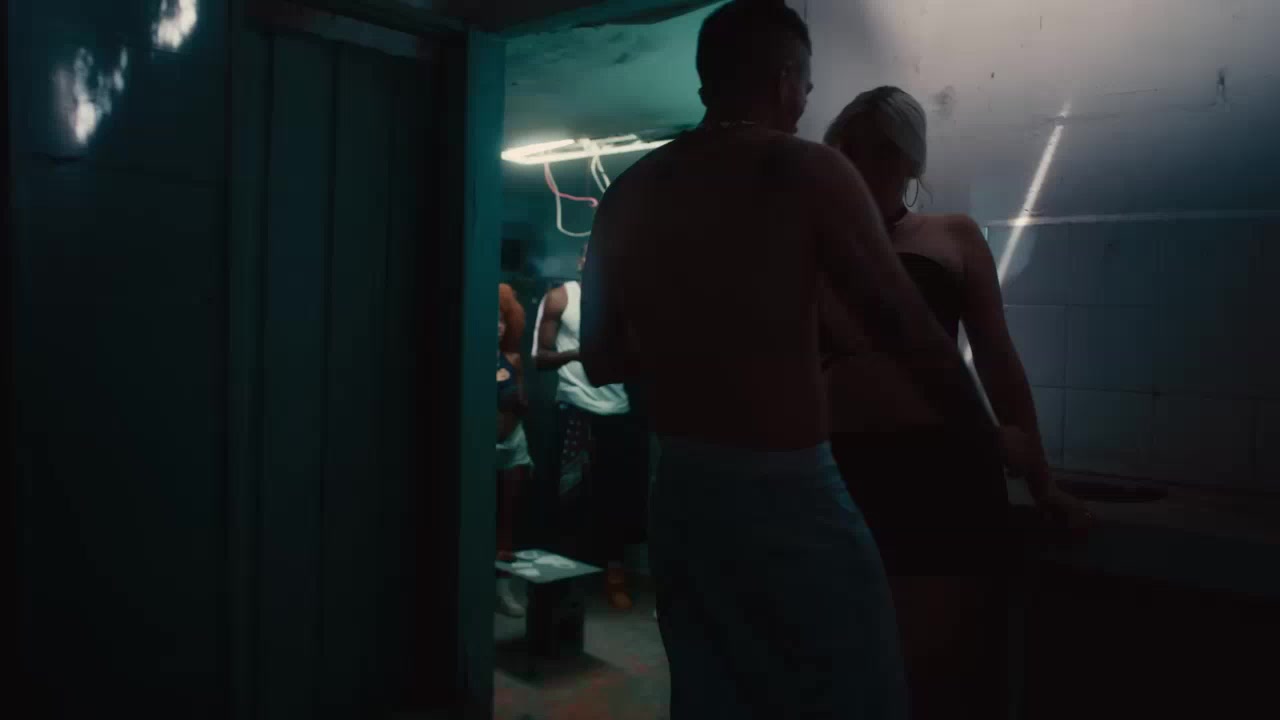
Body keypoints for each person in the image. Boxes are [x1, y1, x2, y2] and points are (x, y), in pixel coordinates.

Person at [579, 2, 1004, 717]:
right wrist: (987, 445)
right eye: (806, 88)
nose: (805, 105)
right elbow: (910, 334)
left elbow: (600, 359)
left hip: (682, 490)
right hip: (787, 491)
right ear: (784, 79)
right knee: (858, 692)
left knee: (718, 693)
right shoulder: (804, 169)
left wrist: (707, 342)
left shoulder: (628, 193)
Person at [818, 86, 1092, 718]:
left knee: (932, 666)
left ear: (910, 161)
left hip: (940, 471)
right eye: (848, 150)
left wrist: (1043, 483)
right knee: (852, 663)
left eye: (880, 152)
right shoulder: (820, 245)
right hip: (842, 470)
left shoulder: (953, 237)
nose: (861, 165)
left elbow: (998, 360)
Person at [532, 246, 650, 611]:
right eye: (589, 256)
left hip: (620, 412)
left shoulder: (626, 302)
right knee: (567, 497)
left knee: (619, 498)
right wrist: (579, 354)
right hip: (575, 411)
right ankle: (563, 582)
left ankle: (615, 577)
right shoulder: (562, 297)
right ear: (581, 262)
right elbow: (540, 358)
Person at [496, 285, 532, 618]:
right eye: (492, 319)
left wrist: (519, 401)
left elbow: (523, 401)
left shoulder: (513, 359)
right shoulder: (473, 356)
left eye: (503, 320)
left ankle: (502, 589)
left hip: (514, 445)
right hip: (483, 448)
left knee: (507, 520)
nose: (498, 326)